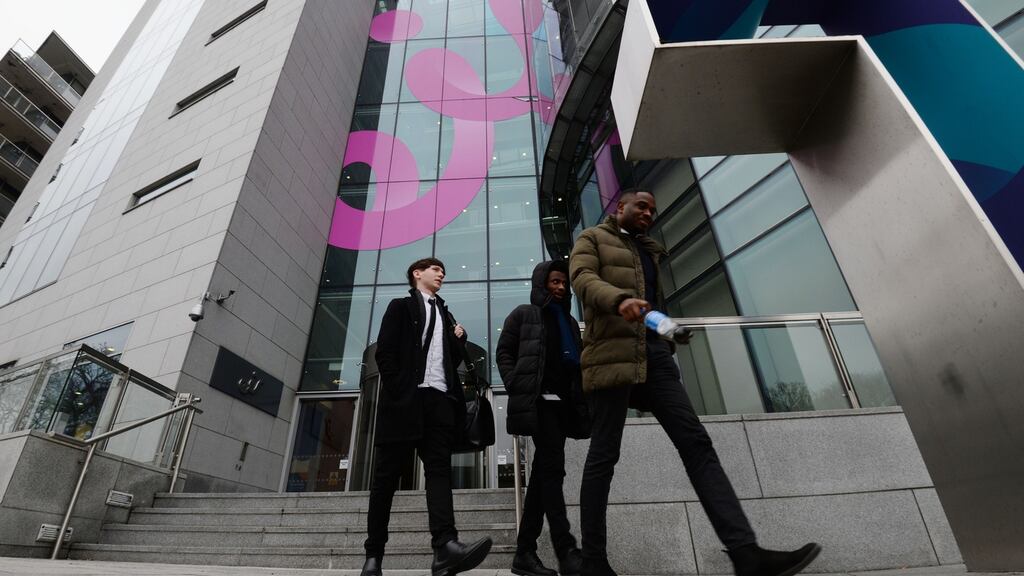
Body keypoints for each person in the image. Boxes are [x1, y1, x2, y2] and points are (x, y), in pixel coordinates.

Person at [568, 190, 821, 576]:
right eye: (642, 207)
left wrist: (669, 328)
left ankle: (745, 554)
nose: (649, 214)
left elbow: (650, 303)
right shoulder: (591, 237)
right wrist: (619, 299)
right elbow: (583, 278)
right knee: (604, 455)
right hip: (610, 357)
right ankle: (593, 562)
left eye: (654, 209)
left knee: (697, 444)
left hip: (655, 357)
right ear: (620, 207)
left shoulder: (650, 251)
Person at [361, 258, 492, 576]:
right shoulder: (400, 307)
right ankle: (373, 556)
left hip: (439, 404)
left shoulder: (446, 315)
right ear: (417, 274)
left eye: (443, 270)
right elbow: (385, 353)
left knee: (438, 473)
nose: (441, 273)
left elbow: (451, 360)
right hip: (405, 402)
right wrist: (400, 390)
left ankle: (445, 547)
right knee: (385, 481)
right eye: (435, 269)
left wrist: (459, 338)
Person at [496, 260, 590, 576]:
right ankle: (566, 549)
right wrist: (517, 384)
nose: (561, 287)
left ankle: (524, 553)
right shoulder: (524, 314)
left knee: (542, 478)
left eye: (564, 283)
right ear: (542, 284)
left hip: (564, 406)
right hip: (540, 404)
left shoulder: (569, 321)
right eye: (554, 282)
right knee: (553, 469)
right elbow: (503, 352)